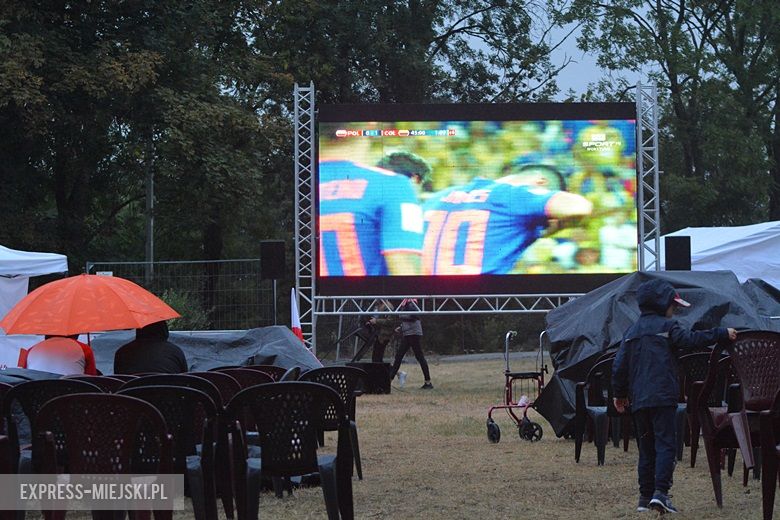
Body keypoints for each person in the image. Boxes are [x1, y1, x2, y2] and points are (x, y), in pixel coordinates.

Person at [611, 279, 737, 514]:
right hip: (663, 398)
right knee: (666, 445)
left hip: (639, 401)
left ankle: (644, 497)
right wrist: (721, 333)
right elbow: (691, 340)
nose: (674, 310)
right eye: (673, 305)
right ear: (662, 304)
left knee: (646, 449)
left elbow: (619, 365)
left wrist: (619, 394)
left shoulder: (631, 331)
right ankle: (661, 493)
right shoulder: (669, 327)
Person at [421, 167, 593, 275]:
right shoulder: (518, 194)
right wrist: (559, 225)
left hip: (424, 300)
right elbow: (579, 207)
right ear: (540, 183)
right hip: (477, 302)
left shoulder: (439, 196)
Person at [318, 133, 424, 276]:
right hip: (369, 296)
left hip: (314, 296)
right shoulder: (394, 185)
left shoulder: (299, 184)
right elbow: (406, 270)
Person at [113, 320, 188, 375]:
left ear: (140, 330)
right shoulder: (175, 352)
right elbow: (185, 379)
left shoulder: (122, 353)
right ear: (164, 330)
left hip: (131, 395)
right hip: (168, 395)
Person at [389, 299, 432, 389]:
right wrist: (401, 327)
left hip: (413, 333)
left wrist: (402, 317)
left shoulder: (411, 302)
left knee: (417, 356)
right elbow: (409, 318)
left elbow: (414, 316)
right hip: (409, 333)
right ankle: (390, 379)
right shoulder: (405, 303)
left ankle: (428, 382)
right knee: (400, 356)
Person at [18, 335, 97, 375]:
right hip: (72, 401)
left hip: (38, 401)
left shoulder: (31, 350)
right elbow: (92, 380)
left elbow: (26, 377)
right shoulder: (84, 349)